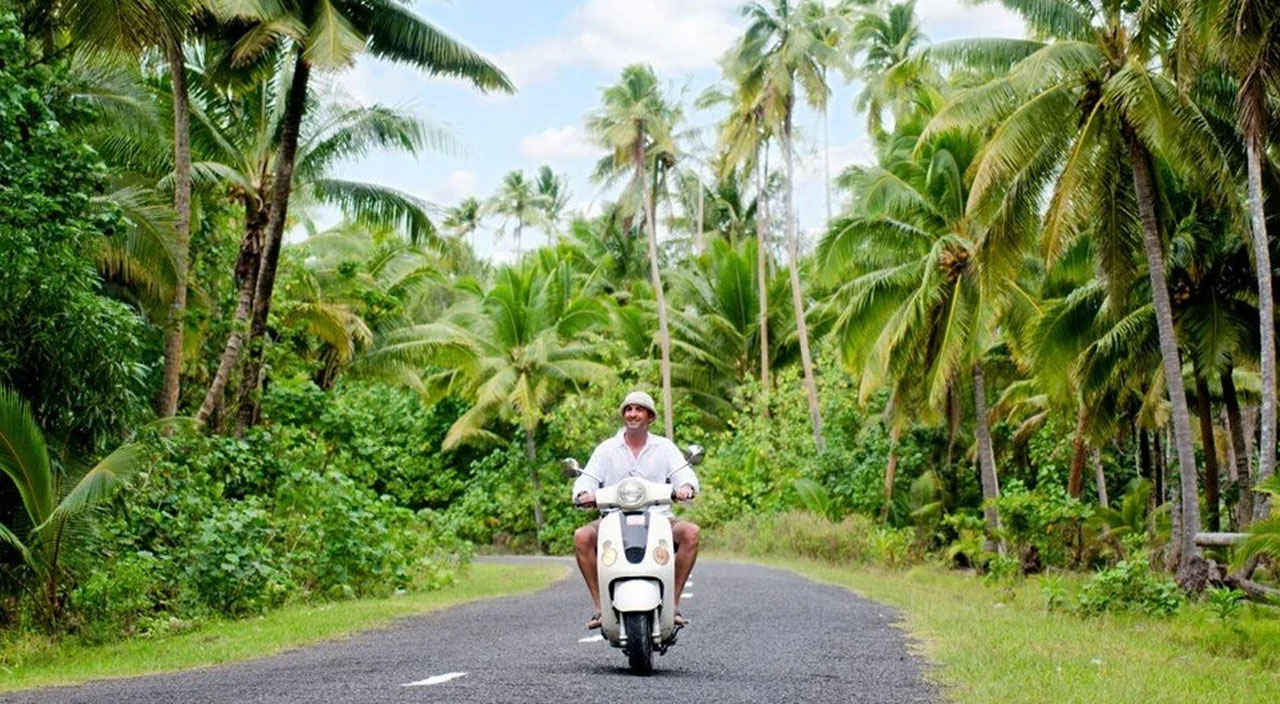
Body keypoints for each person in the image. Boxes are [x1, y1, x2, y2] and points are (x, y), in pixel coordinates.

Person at [572, 391, 700, 630]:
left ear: (650, 417)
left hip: (660, 518)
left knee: (690, 532)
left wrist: (685, 487)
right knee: (582, 536)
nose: (633, 414)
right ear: (623, 415)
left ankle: (673, 604)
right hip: (612, 518)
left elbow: (684, 474)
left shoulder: (664, 447)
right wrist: (582, 494)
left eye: (639, 409)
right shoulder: (606, 449)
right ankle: (600, 607)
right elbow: (586, 479)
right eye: (628, 409)